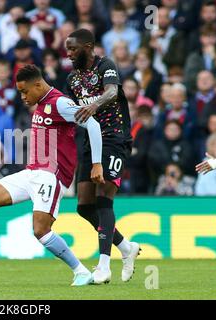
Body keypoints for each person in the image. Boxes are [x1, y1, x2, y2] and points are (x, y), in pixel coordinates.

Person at [0, 64, 103, 286]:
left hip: (51, 175)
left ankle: (81, 271)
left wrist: (96, 164)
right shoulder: (40, 103)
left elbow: (93, 125)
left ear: (38, 85)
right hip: (31, 173)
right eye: (19, 92)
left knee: (40, 230)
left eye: (25, 91)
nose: (22, 96)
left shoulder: (60, 103)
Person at [65, 29, 140, 284]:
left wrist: (93, 105)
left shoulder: (105, 64)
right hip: (89, 141)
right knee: (84, 207)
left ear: (89, 46)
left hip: (114, 137)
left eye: (74, 49)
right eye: (67, 49)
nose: (69, 53)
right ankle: (126, 248)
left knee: (103, 199)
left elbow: (111, 92)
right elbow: (69, 108)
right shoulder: (72, 78)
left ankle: (104, 266)